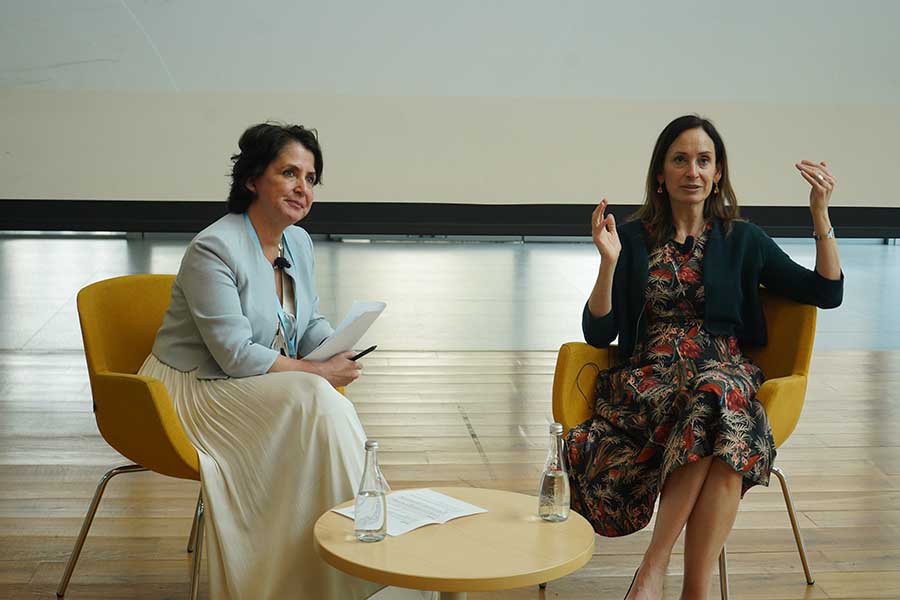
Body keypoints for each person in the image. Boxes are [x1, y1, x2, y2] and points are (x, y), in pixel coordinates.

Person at [138, 123, 429, 600]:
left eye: (311, 178)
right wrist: (318, 373)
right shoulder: (213, 247)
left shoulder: (299, 242)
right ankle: (370, 556)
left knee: (315, 400)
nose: (302, 188)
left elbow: (306, 321)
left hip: (249, 380)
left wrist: (336, 347)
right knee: (314, 396)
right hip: (189, 389)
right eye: (289, 172)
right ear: (253, 178)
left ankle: (350, 560)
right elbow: (232, 355)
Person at [565, 115, 843, 600]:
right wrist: (607, 265)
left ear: (717, 174)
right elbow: (598, 331)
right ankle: (686, 584)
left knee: (715, 395)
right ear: (660, 174)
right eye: (680, 159)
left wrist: (820, 215)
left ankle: (657, 572)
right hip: (648, 382)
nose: (692, 170)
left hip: (722, 374)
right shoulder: (630, 239)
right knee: (722, 424)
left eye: (703, 160)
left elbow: (825, 290)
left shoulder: (743, 239)